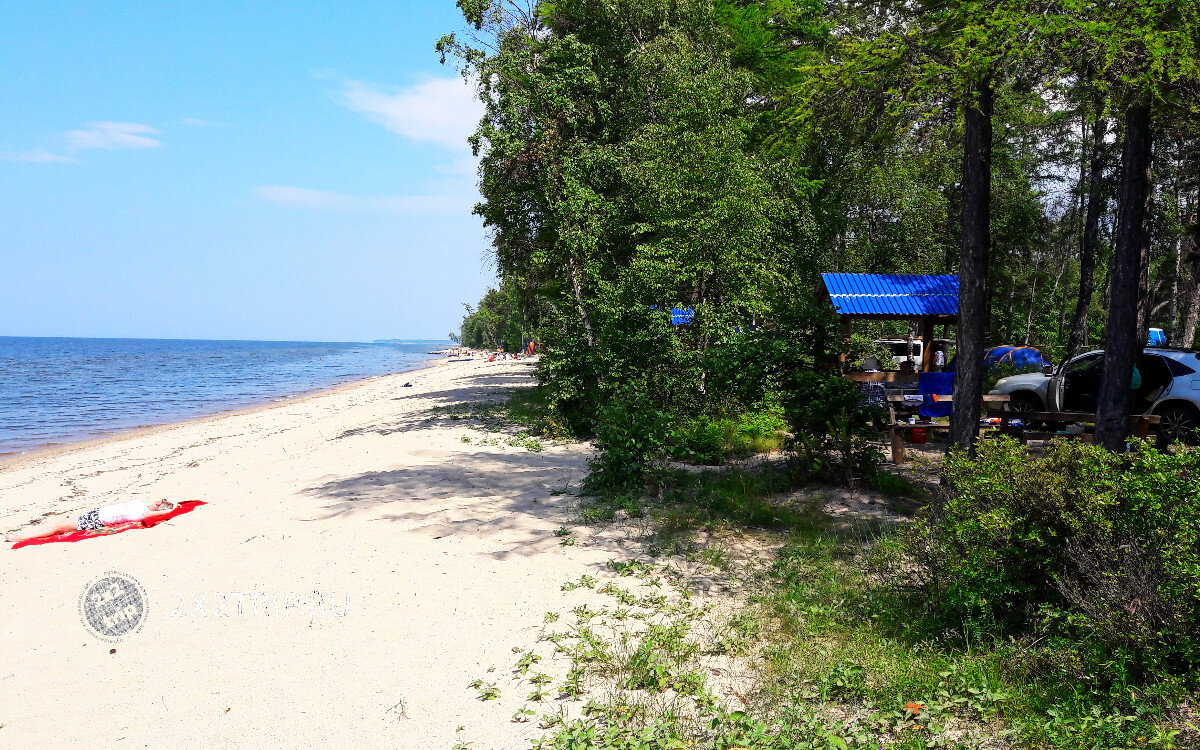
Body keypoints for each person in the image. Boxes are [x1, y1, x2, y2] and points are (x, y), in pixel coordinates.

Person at [5, 499, 178, 544]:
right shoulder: (141, 504)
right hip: (95, 513)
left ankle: (22, 537)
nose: (158, 501)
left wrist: (171, 509)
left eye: (160, 503)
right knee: (60, 523)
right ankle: (27, 534)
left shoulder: (141, 514)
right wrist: (162, 504)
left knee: (58, 527)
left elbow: (154, 514)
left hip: (96, 521)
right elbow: (153, 506)